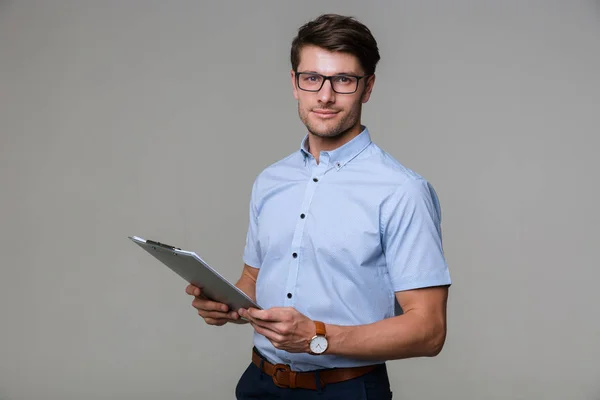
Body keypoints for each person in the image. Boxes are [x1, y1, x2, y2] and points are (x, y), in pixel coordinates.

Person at [185, 13, 451, 399]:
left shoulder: (402, 190)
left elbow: (429, 331)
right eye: (312, 78)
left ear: (368, 87)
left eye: (343, 80)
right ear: (295, 83)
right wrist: (227, 303)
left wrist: (317, 337)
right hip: (259, 383)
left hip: (346, 389)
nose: (325, 96)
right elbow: (253, 279)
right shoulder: (270, 181)